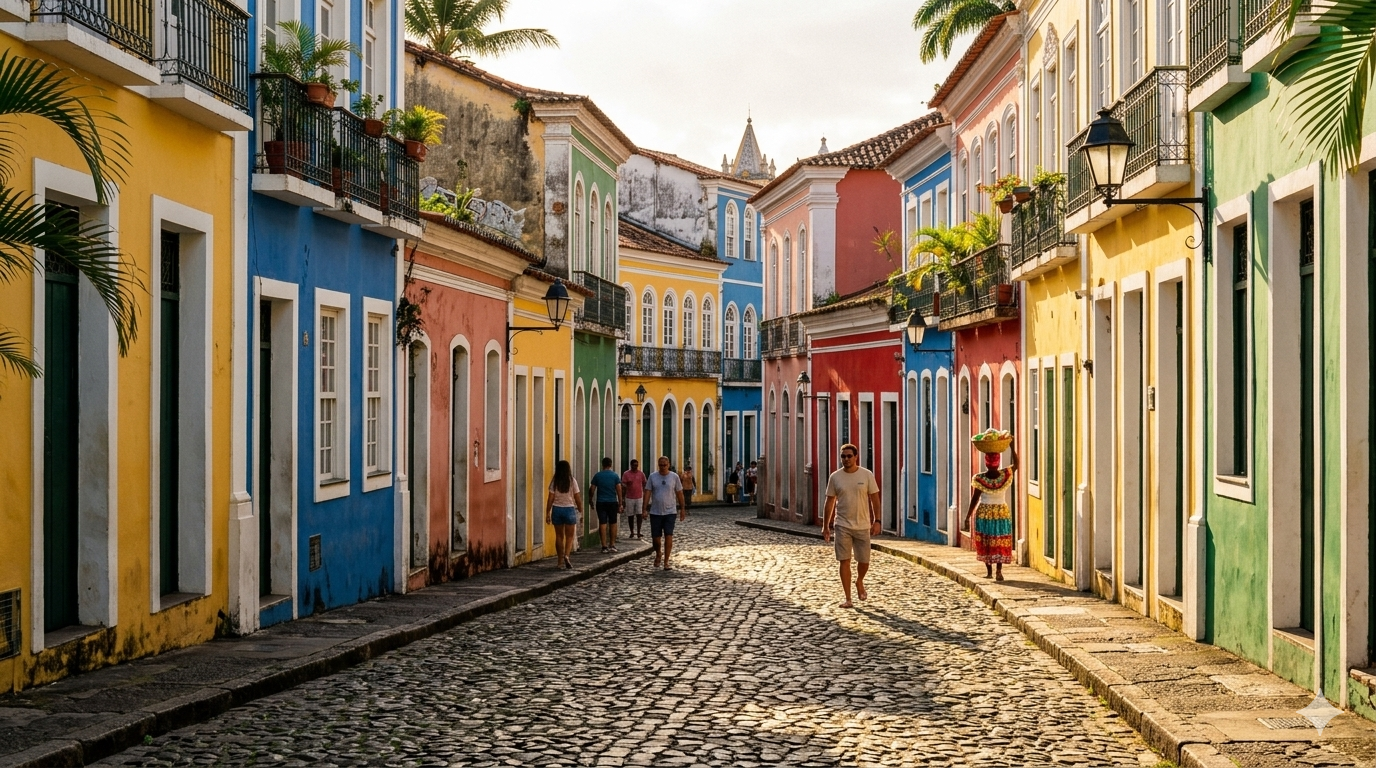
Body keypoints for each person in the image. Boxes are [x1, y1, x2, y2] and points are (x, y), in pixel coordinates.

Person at [821, 443, 881, 608]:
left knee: (864, 561)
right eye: (843, 456)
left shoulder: (866, 475)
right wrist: (826, 525)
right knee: (844, 561)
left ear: (856, 457)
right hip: (842, 525)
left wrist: (877, 520)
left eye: (849, 456)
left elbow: (875, 499)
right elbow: (830, 501)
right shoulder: (835, 477)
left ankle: (859, 580)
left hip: (862, 525)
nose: (846, 459)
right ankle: (848, 598)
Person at [967, 447, 1018, 581]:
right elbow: (1017, 465)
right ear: (998, 462)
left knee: (987, 541)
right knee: (999, 540)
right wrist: (1012, 447)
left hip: (984, 513)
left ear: (986, 462)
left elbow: (975, 499)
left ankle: (989, 572)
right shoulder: (1004, 475)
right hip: (1001, 512)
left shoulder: (980, 479)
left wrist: (968, 516)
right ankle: (999, 571)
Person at [647, 455, 687, 570]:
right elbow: (648, 492)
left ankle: (666, 561)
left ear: (668, 465)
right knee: (656, 538)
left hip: (670, 511)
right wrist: (644, 508)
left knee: (669, 535)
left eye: (665, 465)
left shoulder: (674, 477)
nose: (663, 467)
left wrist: (682, 509)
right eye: (661, 465)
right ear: (658, 465)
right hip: (655, 511)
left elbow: (679, 493)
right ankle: (658, 552)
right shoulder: (653, 477)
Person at [544, 460, 583, 570]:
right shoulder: (572, 481)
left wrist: (548, 512)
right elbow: (577, 497)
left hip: (557, 509)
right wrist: (580, 509)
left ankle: (560, 562)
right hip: (569, 509)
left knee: (559, 536)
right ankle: (567, 555)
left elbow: (550, 498)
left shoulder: (555, 481)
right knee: (569, 536)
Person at [588, 457, 624, 553]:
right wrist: (620, 503)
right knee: (613, 523)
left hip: (601, 502)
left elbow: (592, 489)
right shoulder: (615, 476)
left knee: (602, 523)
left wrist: (590, 499)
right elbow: (619, 490)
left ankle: (604, 546)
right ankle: (612, 544)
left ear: (602, 464)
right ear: (611, 464)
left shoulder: (598, 476)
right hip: (612, 501)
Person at [622, 459, 647, 539]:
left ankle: (639, 531)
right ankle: (632, 531)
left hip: (639, 497)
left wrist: (644, 492)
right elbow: (623, 485)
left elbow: (644, 483)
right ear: (631, 465)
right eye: (634, 465)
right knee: (630, 515)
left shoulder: (641, 474)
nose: (635, 467)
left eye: (636, 465)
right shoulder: (626, 474)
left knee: (639, 515)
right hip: (629, 497)